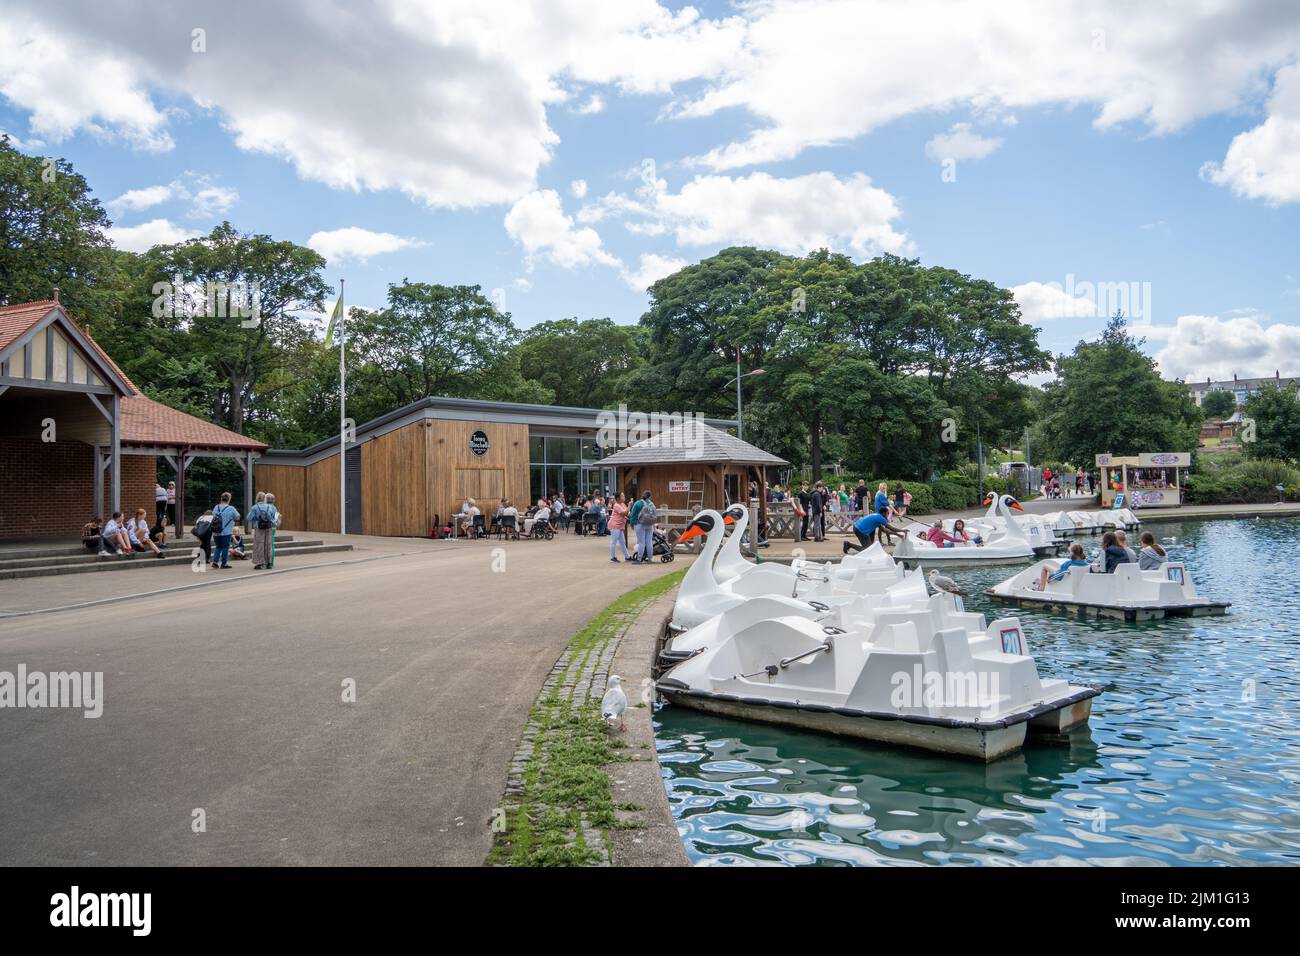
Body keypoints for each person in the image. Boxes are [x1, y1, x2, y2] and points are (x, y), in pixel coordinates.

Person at [248, 492, 281, 570]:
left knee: (259, 545)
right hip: (268, 528)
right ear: (264, 498)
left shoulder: (254, 507)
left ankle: (260, 563)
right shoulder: (269, 507)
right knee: (268, 545)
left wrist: (255, 520)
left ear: (257, 498)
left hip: (259, 529)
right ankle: (269, 563)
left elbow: (249, 518)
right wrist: (276, 523)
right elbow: (272, 518)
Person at [210, 492, 240, 569]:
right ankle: (224, 563)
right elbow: (237, 517)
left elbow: (213, 516)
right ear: (229, 499)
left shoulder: (216, 507)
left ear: (221, 499)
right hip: (226, 531)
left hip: (216, 531)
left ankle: (215, 562)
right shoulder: (231, 508)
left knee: (218, 547)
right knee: (225, 547)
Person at [607, 493, 631, 562]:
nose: (624, 497)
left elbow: (628, 513)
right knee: (613, 541)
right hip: (615, 525)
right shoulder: (616, 505)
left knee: (622, 542)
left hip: (620, 526)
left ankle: (627, 557)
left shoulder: (622, 504)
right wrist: (629, 505)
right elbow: (625, 513)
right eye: (622, 496)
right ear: (618, 498)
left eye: (624, 496)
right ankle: (613, 557)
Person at [635, 491, 657, 563]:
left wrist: (633, 523)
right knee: (649, 542)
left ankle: (639, 559)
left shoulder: (639, 503)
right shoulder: (652, 504)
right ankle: (650, 559)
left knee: (641, 542)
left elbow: (634, 514)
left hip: (641, 524)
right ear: (650, 497)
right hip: (650, 524)